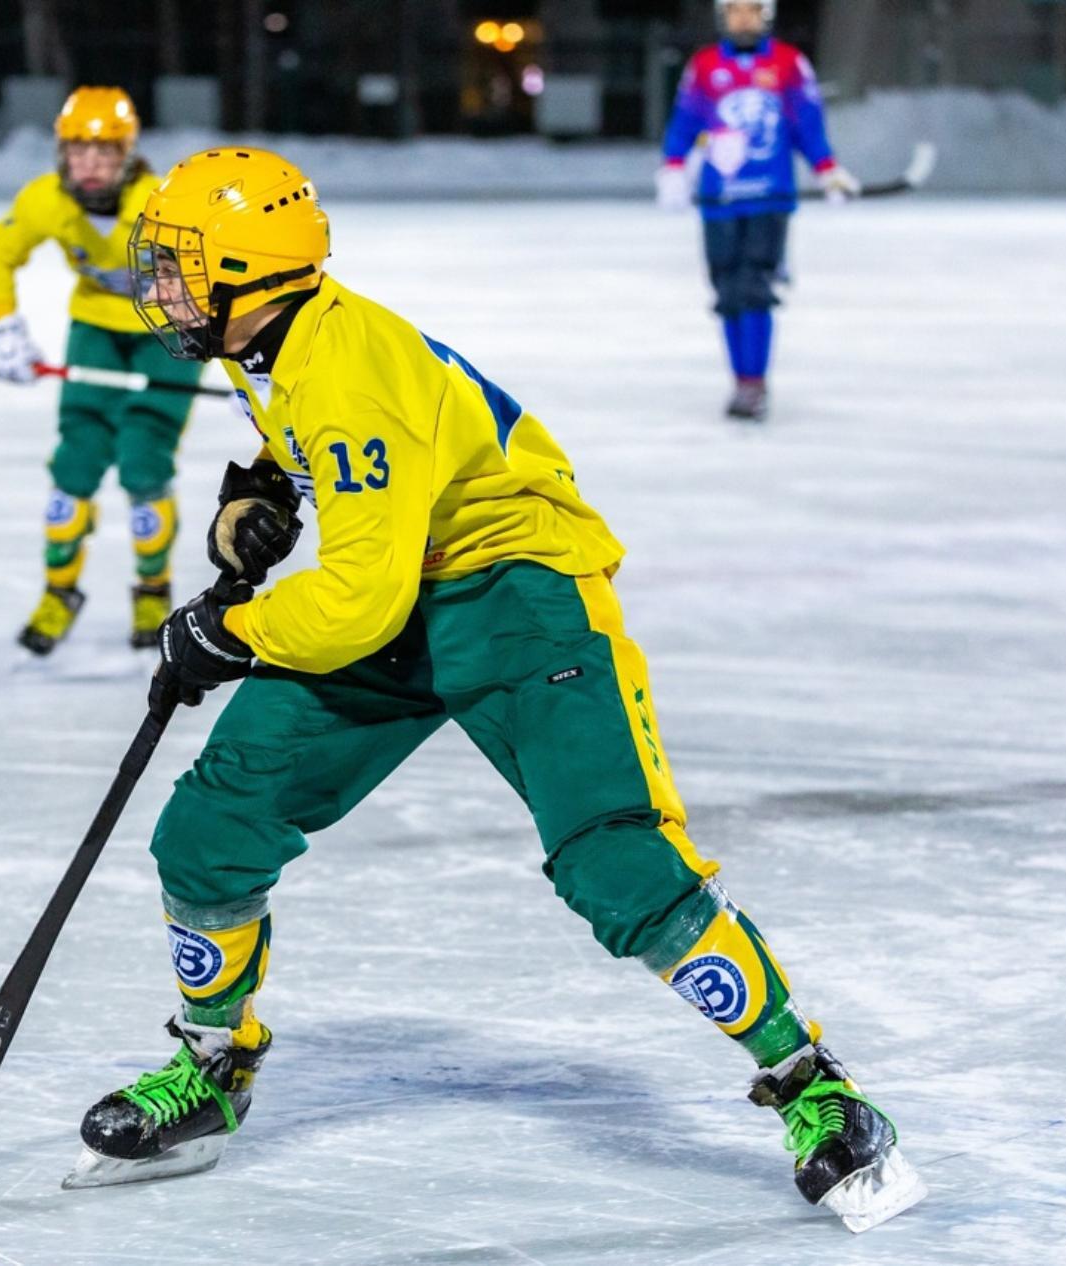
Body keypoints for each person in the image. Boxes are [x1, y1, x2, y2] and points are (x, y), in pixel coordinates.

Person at [65, 147, 924, 1232]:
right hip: (399, 582)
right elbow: (326, 470)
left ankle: (816, 1090)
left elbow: (354, 606)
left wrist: (222, 629)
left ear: (251, 268)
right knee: (209, 831)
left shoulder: (344, 371)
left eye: (182, 268)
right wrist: (268, 492)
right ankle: (209, 1068)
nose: (161, 289)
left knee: (613, 861)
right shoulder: (259, 334)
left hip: (519, 593)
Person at [0, 86, 204, 653]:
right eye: (79, 153)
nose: (92, 166)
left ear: (127, 154)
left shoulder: (161, 204)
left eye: (105, 153)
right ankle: (60, 591)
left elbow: (213, 271)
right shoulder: (46, 201)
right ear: (62, 154)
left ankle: (152, 589)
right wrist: (3, 325)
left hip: (165, 337)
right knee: (75, 461)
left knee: (143, 460)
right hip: (95, 333)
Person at [655, 0, 862, 421]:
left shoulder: (788, 64)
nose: (743, 18)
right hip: (719, 202)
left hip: (769, 198)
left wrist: (827, 168)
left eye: (752, 10)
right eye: (734, 10)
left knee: (755, 289)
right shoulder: (706, 65)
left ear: (765, 15)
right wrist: (674, 167)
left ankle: (755, 383)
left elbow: (807, 123)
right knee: (728, 293)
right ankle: (740, 381)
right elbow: (685, 121)